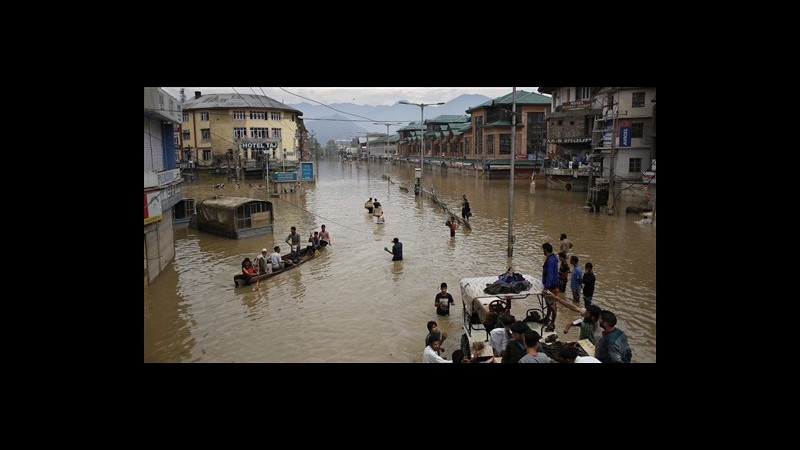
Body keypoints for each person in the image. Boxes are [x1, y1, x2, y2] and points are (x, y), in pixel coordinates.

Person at [541, 242, 560, 332]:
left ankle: (552, 324)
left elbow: (550, 275)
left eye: (543, 250)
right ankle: (547, 319)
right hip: (551, 286)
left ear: (545, 250)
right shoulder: (552, 258)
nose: (543, 252)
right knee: (549, 305)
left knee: (552, 306)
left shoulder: (550, 261)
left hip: (551, 287)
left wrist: (546, 287)